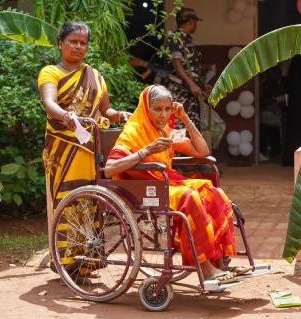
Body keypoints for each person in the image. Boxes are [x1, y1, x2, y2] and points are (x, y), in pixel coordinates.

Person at [105, 85, 251, 282]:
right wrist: (145, 151)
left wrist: (185, 118)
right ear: (146, 108)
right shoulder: (133, 131)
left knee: (214, 193)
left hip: (166, 183)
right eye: (157, 109)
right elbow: (110, 168)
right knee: (190, 198)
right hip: (145, 189)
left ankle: (219, 263)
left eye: (167, 109)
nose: (163, 115)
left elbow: (202, 151)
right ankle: (206, 268)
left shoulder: (166, 131)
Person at [37, 22, 129, 274]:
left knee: (90, 199)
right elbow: (49, 103)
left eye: (83, 42)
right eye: (72, 42)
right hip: (63, 148)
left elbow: (105, 110)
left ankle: (88, 259)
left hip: (91, 149)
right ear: (60, 43)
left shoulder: (95, 75)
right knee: (66, 200)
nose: (78, 46)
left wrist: (119, 114)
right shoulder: (50, 73)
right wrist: (67, 117)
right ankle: (65, 262)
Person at [164, 7, 209, 130]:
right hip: (179, 93)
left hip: (189, 93)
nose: (196, 25)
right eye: (195, 22)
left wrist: (201, 83)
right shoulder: (175, 38)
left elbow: (190, 67)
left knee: (191, 129)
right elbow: (176, 63)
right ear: (190, 22)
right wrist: (192, 84)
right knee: (180, 130)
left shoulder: (186, 39)